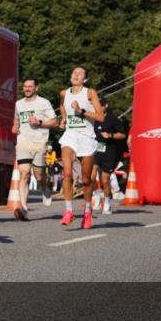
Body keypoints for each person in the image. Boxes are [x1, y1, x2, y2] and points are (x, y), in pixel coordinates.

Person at [57, 67, 105, 228]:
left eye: (80, 73)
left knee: (85, 180)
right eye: (74, 72)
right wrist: (64, 118)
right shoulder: (64, 93)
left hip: (86, 137)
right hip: (70, 135)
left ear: (85, 79)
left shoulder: (90, 93)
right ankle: (69, 211)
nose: (76, 75)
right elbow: (62, 106)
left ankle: (87, 211)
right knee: (67, 173)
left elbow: (100, 116)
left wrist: (81, 111)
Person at [11, 78, 58, 220]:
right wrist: (15, 126)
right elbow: (16, 119)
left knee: (38, 175)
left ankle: (44, 186)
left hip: (39, 142)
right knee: (24, 173)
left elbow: (54, 122)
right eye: (25, 86)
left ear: (36, 88)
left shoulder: (44, 103)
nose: (27, 89)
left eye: (30, 86)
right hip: (23, 142)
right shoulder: (18, 104)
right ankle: (24, 208)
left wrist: (39, 122)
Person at [91, 96, 126, 215]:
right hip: (95, 150)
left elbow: (122, 135)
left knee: (105, 180)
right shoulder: (93, 118)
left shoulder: (113, 119)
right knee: (91, 176)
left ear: (106, 106)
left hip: (109, 151)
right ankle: (96, 195)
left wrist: (110, 135)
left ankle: (107, 202)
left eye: (101, 105)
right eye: (97, 105)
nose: (99, 107)